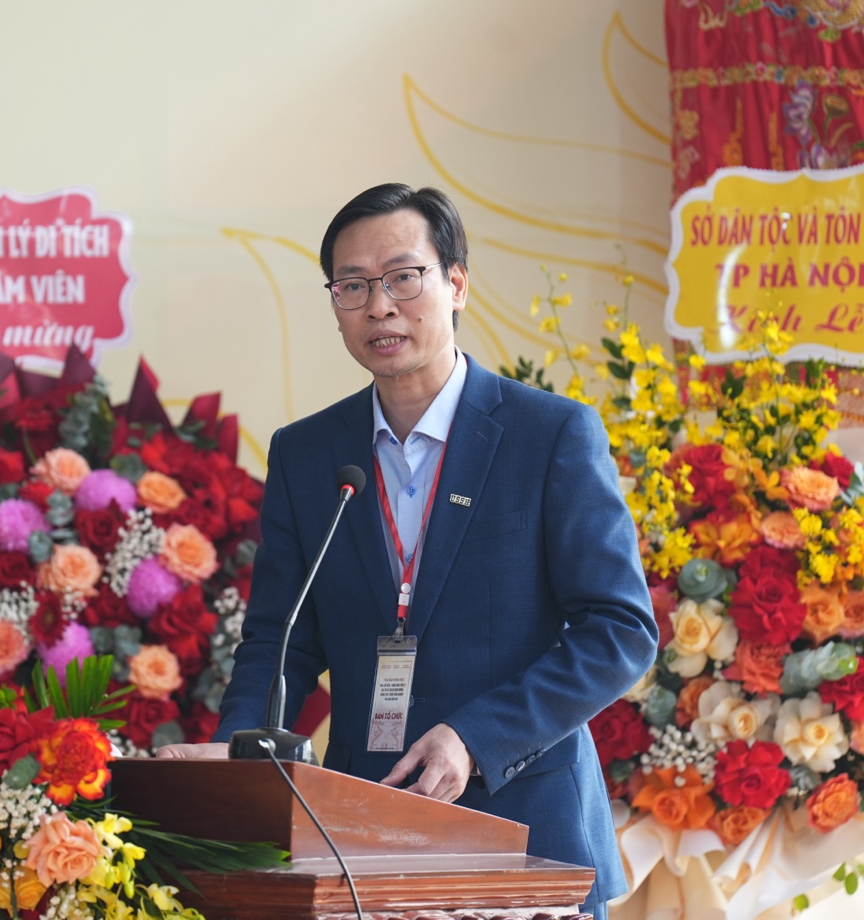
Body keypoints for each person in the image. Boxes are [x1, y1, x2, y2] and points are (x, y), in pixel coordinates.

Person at [158, 183, 657, 920]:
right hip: (361, 830)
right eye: (353, 286)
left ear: (456, 284)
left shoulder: (549, 435)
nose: (379, 306)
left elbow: (620, 631)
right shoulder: (307, 454)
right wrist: (239, 757)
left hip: (526, 829)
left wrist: (476, 737)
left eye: (402, 277)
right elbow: (279, 642)